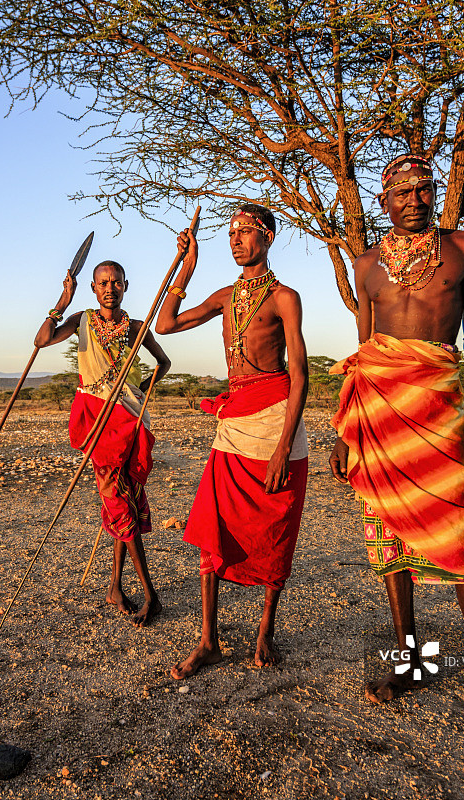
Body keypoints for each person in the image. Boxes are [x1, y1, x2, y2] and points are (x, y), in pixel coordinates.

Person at [328, 154, 464, 758]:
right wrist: (345, 428)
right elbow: (365, 348)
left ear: (435, 195)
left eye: (424, 188)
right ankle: (412, 661)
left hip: (436, 406)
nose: (413, 198)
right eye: (400, 190)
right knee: (388, 539)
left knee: (455, 540)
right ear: (383, 198)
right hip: (376, 408)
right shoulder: (365, 265)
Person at [156, 203, 309, 677]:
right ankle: (208, 639)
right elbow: (165, 325)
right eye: (231, 233)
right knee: (212, 522)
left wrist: (285, 445)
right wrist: (188, 264)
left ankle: (265, 632)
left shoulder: (285, 297)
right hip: (235, 419)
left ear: (267, 238)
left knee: (275, 525)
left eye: (246, 231)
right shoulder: (225, 296)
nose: (237, 239)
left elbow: (301, 373)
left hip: (275, 417)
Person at [34, 260, 171, 627]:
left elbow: (163, 362)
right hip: (97, 420)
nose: (109, 288)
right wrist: (62, 301)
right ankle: (150, 594)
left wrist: (140, 394)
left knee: (122, 502)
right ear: (93, 289)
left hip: (130, 419)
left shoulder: (138, 328)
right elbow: (42, 340)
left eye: (116, 282)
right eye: (102, 283)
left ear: (126, 285)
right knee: (118, 502)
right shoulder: (80, 319)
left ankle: (114, 586)